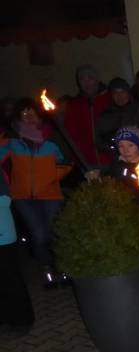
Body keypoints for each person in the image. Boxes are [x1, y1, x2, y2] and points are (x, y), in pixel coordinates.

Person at [0, 99, 72, 286]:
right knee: (39, 235)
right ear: (17, 119)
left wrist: (51, 177)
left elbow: (66, 161)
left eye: (32, 113)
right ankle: (47, 270)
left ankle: (63, 268)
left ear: (39, 116)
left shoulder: (51, 139)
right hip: (23, 197)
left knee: (54, 232)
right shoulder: (12, 142)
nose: (29, 117)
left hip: (50, 194)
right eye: (24, 114)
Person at [0, 171, 34, 337]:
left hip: (2, 234)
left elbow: (4, 200)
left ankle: (22, 320)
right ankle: (5, 319)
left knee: (10, 278)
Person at [63, 64, 111, 169]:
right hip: (87, 162)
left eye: (90, 78)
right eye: (82, 79)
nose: (86, 82)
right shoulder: (74, 105)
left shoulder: (110, 100)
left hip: (111, 160)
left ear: (97, 79)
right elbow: (70, 134)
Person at [96, 77, 139, 153]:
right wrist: (112, 147)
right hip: (116, 158)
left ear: (128, 93)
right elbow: (99, 141)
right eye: (115, 93)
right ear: (111, 95)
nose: (119, 96)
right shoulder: (106, 115)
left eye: (123, 92)